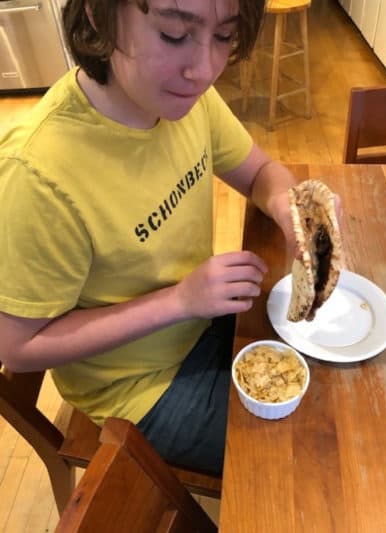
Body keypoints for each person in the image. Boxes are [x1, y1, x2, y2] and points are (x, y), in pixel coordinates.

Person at [0, 0, 312, 475]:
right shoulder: (39, 176)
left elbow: (261, 172)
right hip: (139, 389)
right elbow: (16, 348)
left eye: (224, 37)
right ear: (95, 13)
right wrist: (181, 301)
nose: (204, 70)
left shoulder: (184, 98)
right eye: (173, 35)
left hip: (202, 322)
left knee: (336, 389)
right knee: (305, 459)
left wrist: (294, 212)